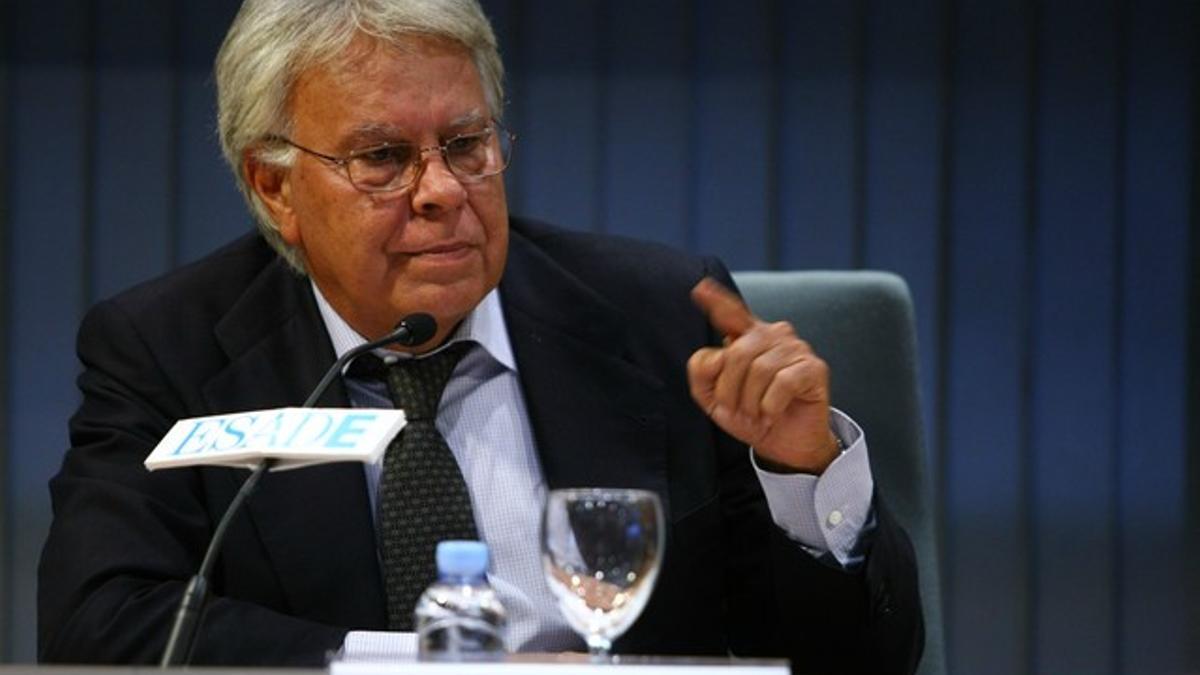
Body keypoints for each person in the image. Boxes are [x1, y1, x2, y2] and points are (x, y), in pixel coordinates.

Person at [37, 1, 923, 673]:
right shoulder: (167, 349)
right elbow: (102, 627)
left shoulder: (661, 321)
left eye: (466, 143)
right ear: (275, 188)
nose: (442, 190)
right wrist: (425, 666)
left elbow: (861, 660)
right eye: (382, 158)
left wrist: (803, 477)